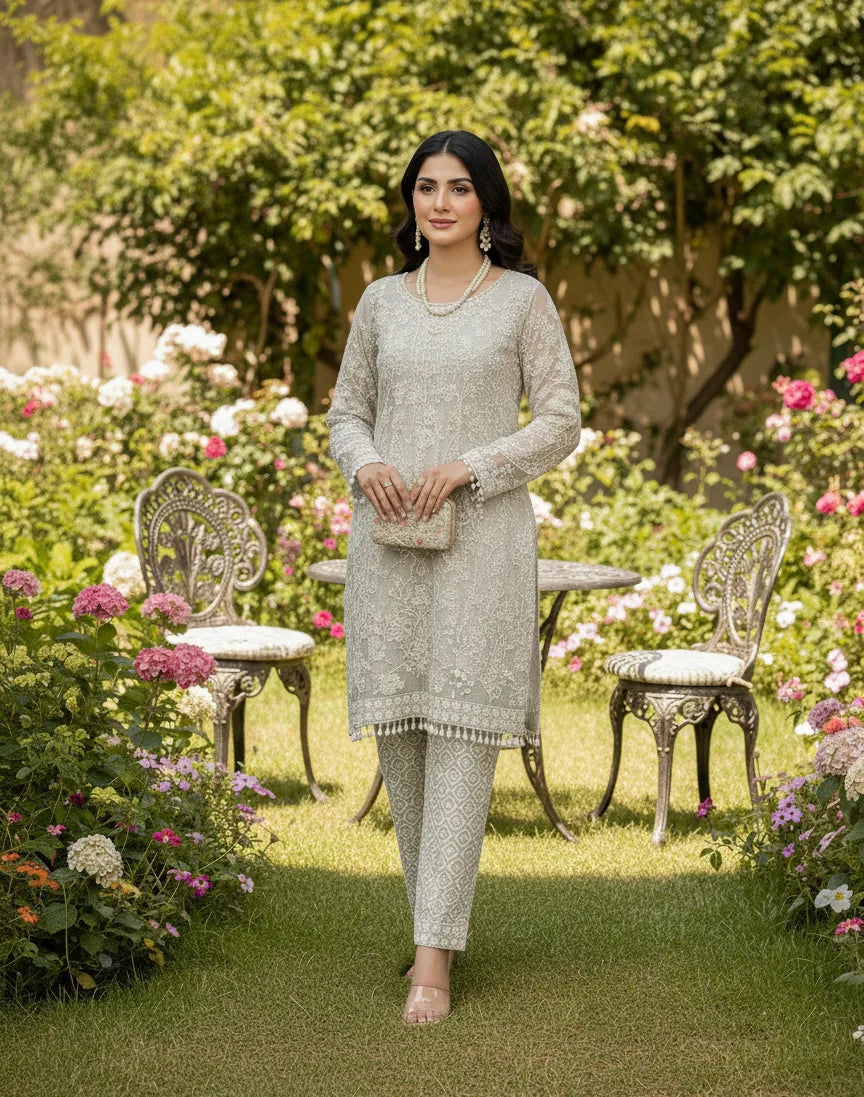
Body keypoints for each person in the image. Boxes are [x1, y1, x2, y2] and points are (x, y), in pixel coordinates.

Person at [325, 130, 581, 1025]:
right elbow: (346, 412)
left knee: (463, 738)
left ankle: (432, 959)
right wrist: (365, 465)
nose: (440, 203)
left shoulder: (522, 301)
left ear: (486, 204)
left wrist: (470, 465)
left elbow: (560, 420)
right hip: (388, 542)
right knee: (403, 736)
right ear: (412, 201)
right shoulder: (380, 303)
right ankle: (432, 926)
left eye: (459, 188)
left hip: (483, 546)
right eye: (427, 187)